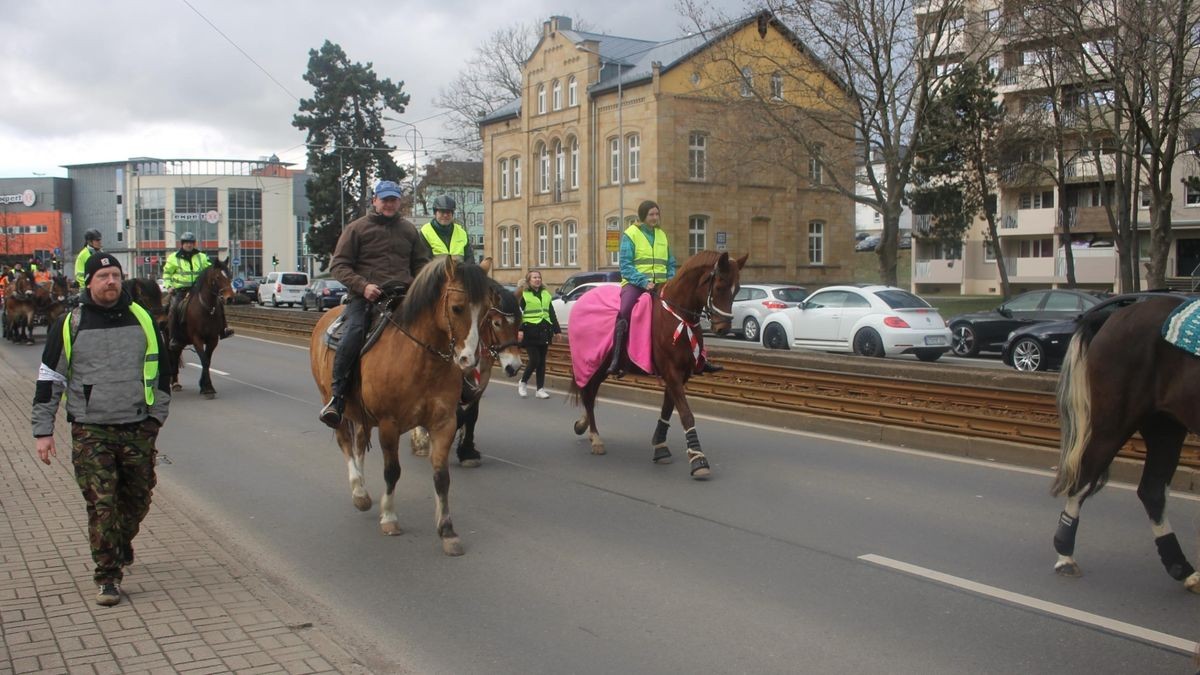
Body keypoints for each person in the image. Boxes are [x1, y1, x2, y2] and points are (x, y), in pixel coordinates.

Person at [32, 253, 170, 607]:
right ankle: (108, 576)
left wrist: (155, 418)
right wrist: (42, 431)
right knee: (102, 505)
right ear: (89, 282)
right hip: (91, 430)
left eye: (116, 275)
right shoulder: (70, 323)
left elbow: (163, 371)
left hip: (138, 426)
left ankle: (121, 543)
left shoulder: (143, 319)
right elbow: (50, 379)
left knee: (137, 500)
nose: (111, 281)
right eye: (103, 276)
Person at [320, 180, 432, 428]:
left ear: (399, 202)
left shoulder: (409, 230)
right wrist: (363, 286)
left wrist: (419, 283)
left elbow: (421, 263)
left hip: (404, 297)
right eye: (385, 199)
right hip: (366, 298)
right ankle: (337, 398)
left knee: (437, 329)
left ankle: (453, 390)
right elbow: (338, 266)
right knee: (354, 334)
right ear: (375, 201)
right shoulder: (356, 229)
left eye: (394, 199)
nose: (390, 204)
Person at [162, 232, 233, 348]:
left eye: (191, 243)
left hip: (198, 289)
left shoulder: (202, 257)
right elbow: (167, 274)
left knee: (218, 303)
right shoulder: (173, 258)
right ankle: (173, 337)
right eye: (186, 243)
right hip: (181, 290)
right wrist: (169, 286)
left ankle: (224, 329)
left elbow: (211, 269)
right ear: (182, 244)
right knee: (174, 308)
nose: (189, 245)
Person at [516, 269, 561, 399]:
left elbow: (551, 313)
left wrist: (557, 330)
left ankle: (540, 389)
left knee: (542, 362)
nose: (537, 279)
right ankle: (523, 382)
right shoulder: (524, 294)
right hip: (530, 331)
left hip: (544, 330)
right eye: (534, 277)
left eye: (539, 277)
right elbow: (520, 314)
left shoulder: (546, 294)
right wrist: (520, 330)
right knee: (534, 359)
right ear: (528, 281)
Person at [420, 195, 475, 262]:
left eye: (448, 212)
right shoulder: (425, 232)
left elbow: (470, 259)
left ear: (452, 214)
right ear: (435, 213)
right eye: (442, 212)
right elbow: (424, 262)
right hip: (436, 272)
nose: (445, 215)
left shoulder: (461, 232)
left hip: (460, 272)